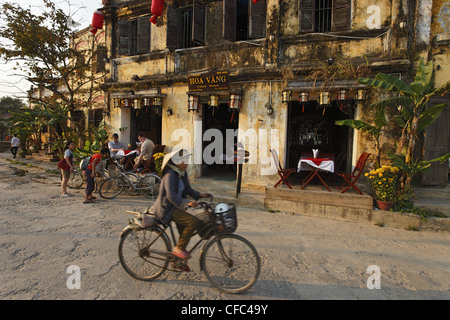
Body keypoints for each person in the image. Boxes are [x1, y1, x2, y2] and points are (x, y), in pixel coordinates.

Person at [152, 149, 211, 261]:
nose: (187, 162)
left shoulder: (182, 173)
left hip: (176, 206)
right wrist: (187, 202)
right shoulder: (170, 175)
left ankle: (177, 260)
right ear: (177, 161)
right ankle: (179, 250)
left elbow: (188, 189)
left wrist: (199, 195)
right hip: (167, 208)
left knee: (184, 232)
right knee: (193, 221)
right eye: (185, 160)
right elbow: (171, 196)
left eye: (188, 159)